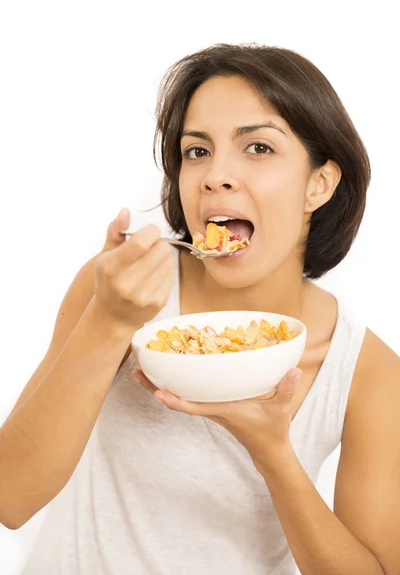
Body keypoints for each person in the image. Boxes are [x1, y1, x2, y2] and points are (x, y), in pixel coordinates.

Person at [0, 43, 399, 575]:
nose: (216, 176)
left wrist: (273, 453)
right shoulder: (120, 289)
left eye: (258, 148)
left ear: (319, 185)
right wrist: (110, 321)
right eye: (197, 151)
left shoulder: (366, 372)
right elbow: (11, 499)